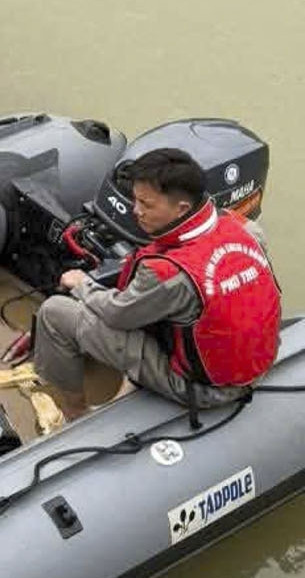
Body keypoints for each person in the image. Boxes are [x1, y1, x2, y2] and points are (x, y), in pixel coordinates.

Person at [33, 149, 281, 421]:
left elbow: (118, 313)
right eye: (135, 200)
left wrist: (81, 284)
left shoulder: (166, 273)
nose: (135, 211)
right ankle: (131, 383)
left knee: (54, 312)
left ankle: (74, 412)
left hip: (204, 389)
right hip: (258, 362)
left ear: (181, 208)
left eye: (146, 205)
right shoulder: (244, 228)